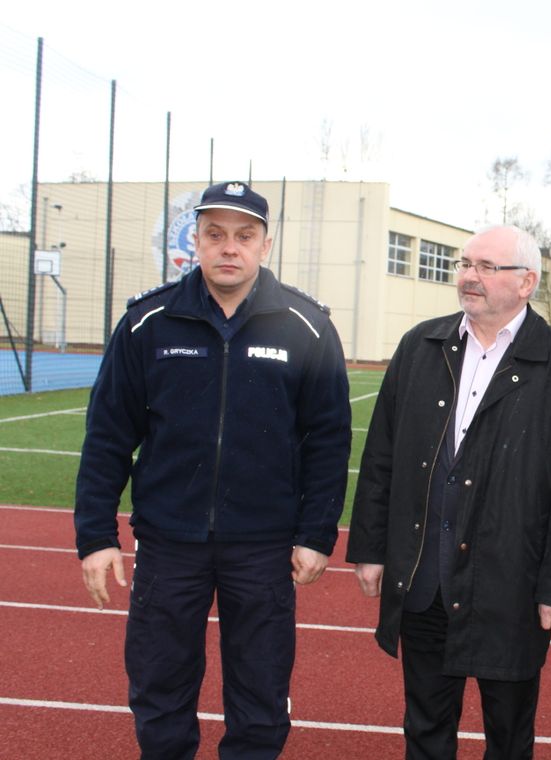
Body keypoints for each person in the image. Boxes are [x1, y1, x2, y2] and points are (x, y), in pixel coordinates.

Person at [74, 181, 352, 759]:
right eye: (216, 234)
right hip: (169, 542)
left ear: (265, 245)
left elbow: (328, 439)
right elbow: (107, 434)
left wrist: (316, 533)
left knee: (260, 695)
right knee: (159, 686)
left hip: (264, 546)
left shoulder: (307, 326)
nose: (230, 248)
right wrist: (95, 536)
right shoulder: (147, 323)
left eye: (244, 236)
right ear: (195, 242)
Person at [347, 225, 551, 760]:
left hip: (509, 586)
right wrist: (371, 550)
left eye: (487, 267)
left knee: (509, 738)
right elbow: (382, 458)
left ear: (527, 282)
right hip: (424, 580)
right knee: (425, 728)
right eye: (466, 263)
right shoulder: (421, 344)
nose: (469, 276)